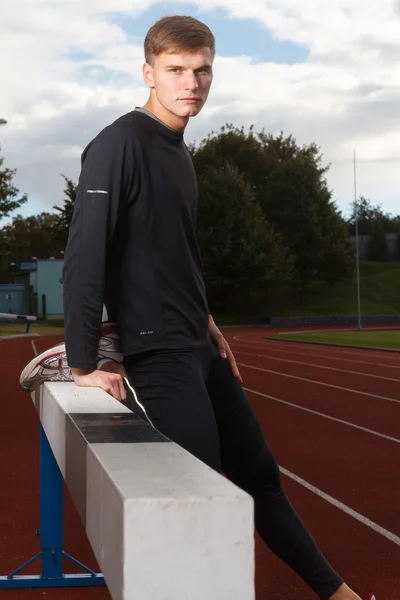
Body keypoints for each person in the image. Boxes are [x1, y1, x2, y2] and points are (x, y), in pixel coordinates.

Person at [21, 16, 376, 600]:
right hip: (156, 349)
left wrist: (210, 322)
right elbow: (84, 256)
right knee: (205, 501)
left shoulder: (178, 151)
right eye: (177, 70)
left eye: (203, 69)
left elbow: (175, 254)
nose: (192, 82)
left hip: (196, 344)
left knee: (260, 478)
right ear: (149, 72)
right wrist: (85, 362)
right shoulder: (118, 144)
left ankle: (339, 595)